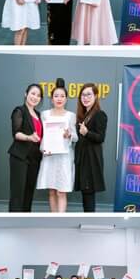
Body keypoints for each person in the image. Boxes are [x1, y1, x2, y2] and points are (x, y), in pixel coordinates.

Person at [36, 78, 78, 212]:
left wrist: (69, 135)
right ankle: (53, 218)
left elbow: (76, 137)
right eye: (56, 96)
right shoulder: (45, 114)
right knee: (52, 191)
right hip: (49, 156)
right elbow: (43, 135)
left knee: (61, 191)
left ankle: (61, 219)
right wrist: (43, 149)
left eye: (62, 96)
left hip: (64, 157)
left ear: (66, 99)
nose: (59, 99)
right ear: (52, 99)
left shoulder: (71, 115)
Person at [8, 84, 43, 212]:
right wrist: (29, 137)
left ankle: (26, 219)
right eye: (33, 93)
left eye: (38, 95)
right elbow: (16, 133)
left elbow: (41, 137)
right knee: (18, 194)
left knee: (29, 193)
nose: (35, 97)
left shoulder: (39, 114)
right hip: (20, 157)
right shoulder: (19, 111)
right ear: (26, 94)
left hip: (35, 158)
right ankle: (13, 220)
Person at [74, 83, 108, 212]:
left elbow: (100, 137)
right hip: (82, 160)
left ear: (96, 96)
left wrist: (87, 133)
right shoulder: (83, 116)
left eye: (89, 94)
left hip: (91, 161)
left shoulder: (100, 114)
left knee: (88, 197)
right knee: (85, 195)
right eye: (83, 95)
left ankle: (89, 220)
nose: (85, 97)